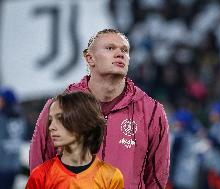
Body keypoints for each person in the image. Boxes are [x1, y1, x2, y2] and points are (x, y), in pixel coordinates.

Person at [29, 28, 170, 188]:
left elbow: (157, 177)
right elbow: (39, 168)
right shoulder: (57, 108)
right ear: (90, 58)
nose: (120, 53)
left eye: (125, 50)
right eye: (110, 48)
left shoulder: (151, 112)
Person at [26, 91, 124, 188]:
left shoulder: (111, 177)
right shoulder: (41, 176)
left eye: (60, 118)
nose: (51, 127)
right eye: (51, 120)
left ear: (84, 121)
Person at [0, 87, 26, 189]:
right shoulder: (20, 118)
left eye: (1, 100)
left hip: (2, 165)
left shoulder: (2, 118)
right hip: (14, 165)